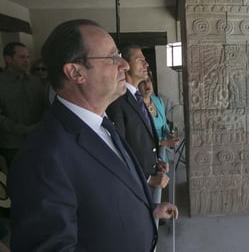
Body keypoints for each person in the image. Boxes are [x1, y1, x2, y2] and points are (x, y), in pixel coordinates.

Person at [7, 19, 178, 252]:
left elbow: (105, 195)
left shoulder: (101, 122)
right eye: (111, 58)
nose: (124, 65)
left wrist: (147, 211)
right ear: (76, 72)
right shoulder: (42, 157)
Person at [107, 44, 169, 189]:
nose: (146, 64)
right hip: (135, 183)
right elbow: (119, 148)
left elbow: (141, 138)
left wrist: (156, 160)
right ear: (125, 64)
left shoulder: (137, 97)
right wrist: (147, 179)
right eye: (140, 60)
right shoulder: (117, 101)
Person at [0, 42, 48, 169]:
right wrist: (23, 130)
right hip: (13, 145)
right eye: (22, 57)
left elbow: (46, 106)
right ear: (8, 59)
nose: (27, 61)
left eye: (28, 57)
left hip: (39, 140)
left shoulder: (35, 82)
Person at [138, 71, 179, 162]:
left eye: (148, 80)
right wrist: (165, 143)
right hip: (147, 156)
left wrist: (169, 134)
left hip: (162, 154)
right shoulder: (137, 107)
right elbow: (139, 138)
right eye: (142, 82)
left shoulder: (158, 101)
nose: (146, 84)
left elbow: (164, 125)